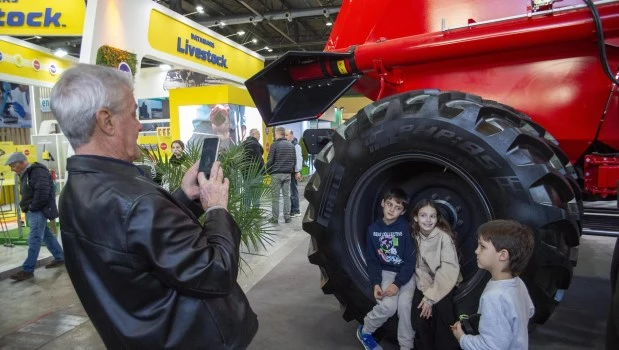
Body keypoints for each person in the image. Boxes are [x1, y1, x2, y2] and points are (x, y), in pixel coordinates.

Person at [50, 64, 258, 349]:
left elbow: (138, 248)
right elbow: (216, 272)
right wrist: (216, 208)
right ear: (106, 121)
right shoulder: (137, 202)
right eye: (134, 113)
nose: (139, 124)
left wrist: (184, 197)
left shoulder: (74, 192)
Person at [451, 220, 535, 350]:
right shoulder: (517, 283)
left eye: (482, 246)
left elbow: (490, 346)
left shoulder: (495, 296)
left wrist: (462, 338)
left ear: (503, 255)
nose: (476, 251)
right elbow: (529, 311)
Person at [357, 188, 416, 350]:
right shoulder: (372, 230)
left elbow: (411, 260)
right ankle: (366, 330)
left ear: (403, 211)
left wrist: (398, 283)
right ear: (382, 203)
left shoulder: (406, 229)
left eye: (397, 208)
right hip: (386, 273)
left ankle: (406, 346)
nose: (391, 210)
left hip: (406, 273)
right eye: (389, 204)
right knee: (388, 306)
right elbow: (372, 260)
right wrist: (376, 283)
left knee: (405, 306)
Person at [410, 199, 462, 350]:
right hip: (427, 282)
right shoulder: (416, 237)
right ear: (416, 217)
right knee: (419, 312)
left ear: (437, 218)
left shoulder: (444, 237)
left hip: (447, 281)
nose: (428, 220)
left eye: (432, 216)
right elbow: (420, 269)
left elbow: (448, 269)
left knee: (443, 311)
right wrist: (426, 294)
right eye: (423, 215)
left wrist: (431, 298)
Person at [7, 152, 64, 282]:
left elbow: (42, 192)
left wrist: (32, 207)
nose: (12, 169)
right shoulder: (27, 173)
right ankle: (60, 257)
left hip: (37, 210)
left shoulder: (37, 172)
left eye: (13, 166)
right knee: (46, 235)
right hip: (33, 210)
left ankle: (27, 269)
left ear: (22, 163)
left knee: (34, 238)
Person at [266, 127, 296, 224]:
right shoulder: (291, 145)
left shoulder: (275, 145)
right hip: (287, 174)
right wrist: (291, 171)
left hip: (276, 174)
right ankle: (287, 217)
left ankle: (275, 218)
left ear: (278, 134)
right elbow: (294, 160)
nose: (275, 135)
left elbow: (270, 160)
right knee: (286, 196)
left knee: (275, 197)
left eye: (275, 134)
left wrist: (268, 171)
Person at [242, 128, 265, 208]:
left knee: (247, 195)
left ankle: (247, 213)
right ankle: (255, 213)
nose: (259, 135)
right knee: (256, 195)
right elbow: (258, 160)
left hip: (246, 174)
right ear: (253, 134)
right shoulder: (255, 144)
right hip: (256, 174)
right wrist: (263, 171)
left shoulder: (243, 144)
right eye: (258, 133)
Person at [285, 129, 302, 217]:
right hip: (289, 171)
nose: (286, 137)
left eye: (287, 135)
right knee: (291, 191)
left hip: (293, 172)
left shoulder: (296, 146)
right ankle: (293, 209)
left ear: (292, 135)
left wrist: (297, 171)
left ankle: (296, 210)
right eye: (285, 135)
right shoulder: (289, 145)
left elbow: (298, 159)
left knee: (293, 191)